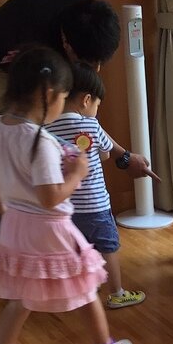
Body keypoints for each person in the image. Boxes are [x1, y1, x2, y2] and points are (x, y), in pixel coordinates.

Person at [0, 47, 133, 344]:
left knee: (21, 298)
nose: (63, 105)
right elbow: (50, 197)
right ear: (48, 95)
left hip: (15, 226)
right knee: (86, 286)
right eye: (63, 98)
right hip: (52, 228)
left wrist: (7, 212)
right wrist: (77, 174)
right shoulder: (41, 142)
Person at [0, 0, 159, 249]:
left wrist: (123, 157)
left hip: (41, 56)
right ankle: (4, 232)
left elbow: (83, 122)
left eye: (98, 63)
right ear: (67, 46)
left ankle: (29, 237)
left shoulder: (89, 20)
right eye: (88, 63)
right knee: (12, 147)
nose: (94, 70)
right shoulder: (35, 39)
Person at [45, 62, 146, 309]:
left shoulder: (47, 128)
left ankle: (81, 290)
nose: (96, 110)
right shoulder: (91, 125)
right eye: (97, 105)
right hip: (96, 205)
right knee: (107, 246)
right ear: (86, 100)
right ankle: (117, 293)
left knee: (76, 248)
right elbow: (105, 153)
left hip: (66, 206)